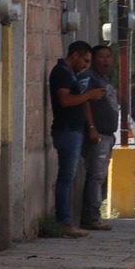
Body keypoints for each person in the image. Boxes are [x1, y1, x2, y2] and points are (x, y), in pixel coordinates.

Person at [49, 40, 105, 235]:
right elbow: (65, 100)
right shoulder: (62, 73)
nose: (86, 65)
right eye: (85, 61)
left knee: (69, 176)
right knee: (66, 177)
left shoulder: (71, 74)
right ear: (75, 56)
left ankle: (66, 221)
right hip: (67, 130)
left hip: (74, 130)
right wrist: (89, 95)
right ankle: (64, 222)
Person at [81, 42, 121, 231]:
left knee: (99, 176)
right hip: (98, 135)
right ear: (93, 59)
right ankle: (92, 217)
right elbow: (86, 102)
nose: (106, 60)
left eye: (108, 56)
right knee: (96, 176)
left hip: (108, 135)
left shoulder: (103, 79)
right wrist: (91, 127)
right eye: (101, 56)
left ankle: (94, 214)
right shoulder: (89, 78)